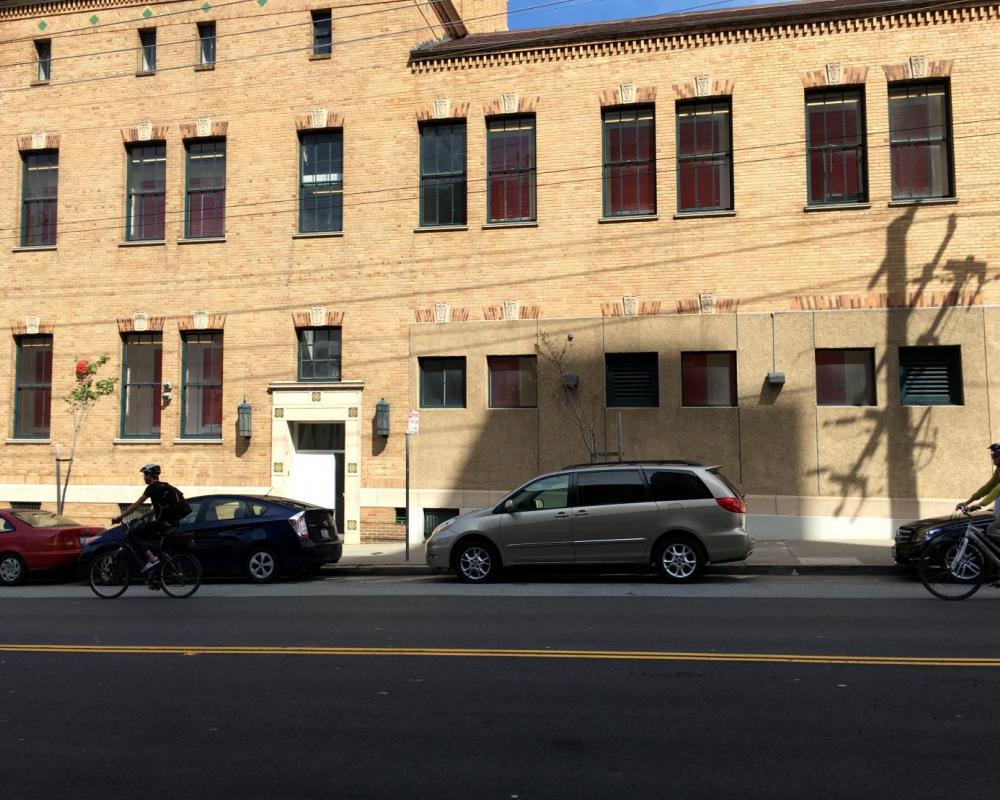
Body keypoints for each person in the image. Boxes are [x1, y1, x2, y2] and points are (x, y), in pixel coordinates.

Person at [113, 464, 191, 574]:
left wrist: (120, 517)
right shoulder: (164, 486)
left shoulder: (152, 487)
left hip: (162, 523)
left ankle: (152, 559)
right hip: (172, 522)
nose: (144, 478)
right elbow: (158, 507)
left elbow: (137, 504)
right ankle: (156, 574)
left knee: (133, 534)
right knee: (152, 541)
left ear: (149, 475)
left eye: (145, 475)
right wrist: (144, 516)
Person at [956, 443, 1000, 543]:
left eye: (995, 455)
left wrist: (981, 504)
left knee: (992, 530)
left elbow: (997, 489)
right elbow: (987, 487)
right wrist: (967, 502)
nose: (993, 458)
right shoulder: (998, 470)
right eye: (992, 456)